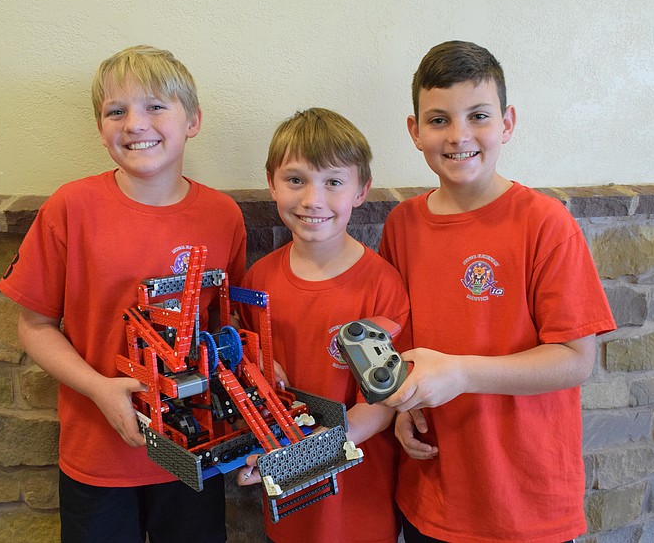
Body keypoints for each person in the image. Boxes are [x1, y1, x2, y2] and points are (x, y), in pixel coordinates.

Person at [0, 45, 246, 543]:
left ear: (193, 120)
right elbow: (34, 325)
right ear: (100, 127)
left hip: (192, 450)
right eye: (117, 110)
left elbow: (230, 329)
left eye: (155, 106)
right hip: (98, 454)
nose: (135, 123)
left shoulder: (223, 217)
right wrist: (100, 389)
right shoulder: (73, 207)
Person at [379, 40, 616, 543]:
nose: (459, 135)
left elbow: (576, 359)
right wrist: (403, 407)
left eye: (478, 116)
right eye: (438, 119)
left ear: (507, 123)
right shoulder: (400, 227)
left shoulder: (545, 224)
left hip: (525, 503)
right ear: (414, 131)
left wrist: (462, 372)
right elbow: (397, 347)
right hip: (432, 491)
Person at [235, 108, 410, 543]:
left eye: (333, 181)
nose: (313, 199)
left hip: (360, 500)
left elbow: (385, 404)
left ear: (361, 190)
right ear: (272, 183)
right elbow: (254, 376)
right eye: (296, 180)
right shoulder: (258, 282)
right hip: (288, 505)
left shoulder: (382, 285)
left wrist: (301, 458)